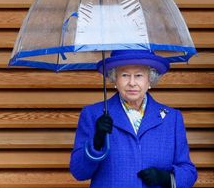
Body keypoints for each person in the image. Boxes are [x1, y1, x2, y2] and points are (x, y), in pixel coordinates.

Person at [69, 50, 197, 188]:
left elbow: (189, 172)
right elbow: (78, 172)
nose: (132, 83)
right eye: (124, 75)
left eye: (139, 75)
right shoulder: (93, 114)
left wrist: (165, 178)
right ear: (115, 79)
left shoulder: (172, 118)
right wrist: (97, 142)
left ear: (150, 79)